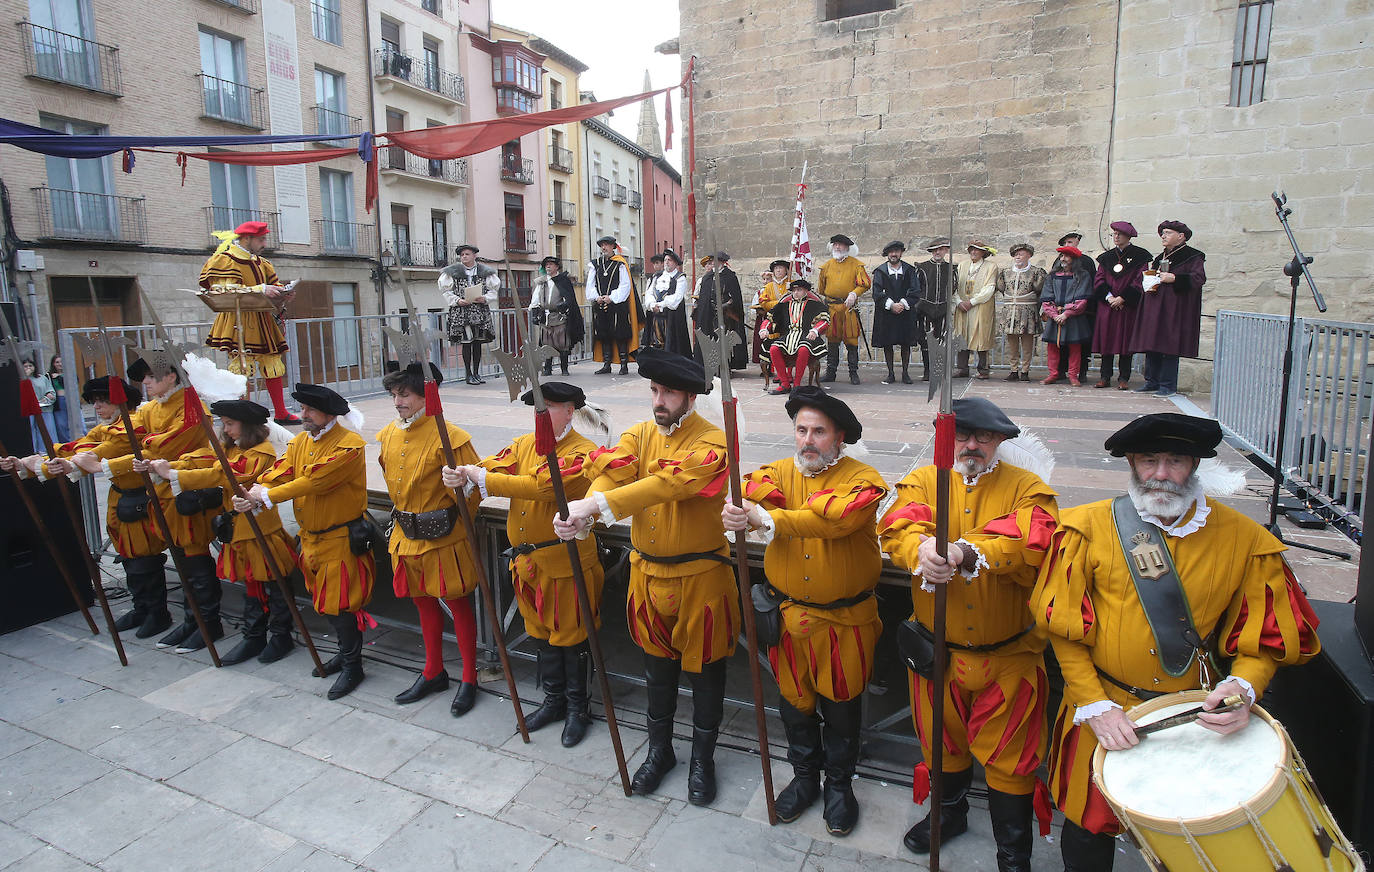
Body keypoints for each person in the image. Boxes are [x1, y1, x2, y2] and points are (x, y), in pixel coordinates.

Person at [1032, 412, 1320, 872]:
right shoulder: (1082, 528)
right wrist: (1093, 704)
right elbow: (1065, 632)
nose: (1161, 474)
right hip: (1103, 710)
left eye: (1175, 461)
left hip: (1194, 718)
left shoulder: (1249, 541)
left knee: (1192, 839)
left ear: (1195, 465)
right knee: (1087, 829)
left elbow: (1262, 639)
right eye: (1149, 460)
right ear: (1131, 462)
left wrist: (1242, 689)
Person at [879, 397, 1058, 869]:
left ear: (1000, 441)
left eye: (984, 437)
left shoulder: (1029, 487)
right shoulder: (923, 478)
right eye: (962, 436)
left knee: (1013, 760)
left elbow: (1032, 536)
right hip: (936, 652)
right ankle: (949, 816)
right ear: (947, 439)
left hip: (1010, 658)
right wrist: (920, 548)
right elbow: (897, 524)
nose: (972, 445)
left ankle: (1013, 851)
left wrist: (964, 552)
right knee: (941, 744)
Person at [553, 348, 738, 807]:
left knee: (706, 676)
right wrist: (585, 514)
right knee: (657, 673)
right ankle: (660, 752)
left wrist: (595, 506)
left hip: (702, 578)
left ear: (691, 397)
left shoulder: (714, 442)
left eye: (668, 392)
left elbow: (673, 483)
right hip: (648, 575)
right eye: (654, 390)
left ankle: (702, 759)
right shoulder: (639, 434)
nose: (659, 400)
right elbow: (612, 474)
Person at [723, 387, 886, 835]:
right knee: (794, 706)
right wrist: (741, 510)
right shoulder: (777, 471)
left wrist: (766, 518)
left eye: (819, 431)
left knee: (841, 708)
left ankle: (839, 787)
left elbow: (833, 519)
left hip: (846, 623)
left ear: (840, 437)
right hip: (789, 619)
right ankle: (804, 779)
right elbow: (751, 491)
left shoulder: (865, 480)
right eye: (801, 430)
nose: (808, 440)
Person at [444, 382, 608, 746]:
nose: (541, 414)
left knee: (572, 638)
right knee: (541, 635)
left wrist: (483, 479)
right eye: (537, 407)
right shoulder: (523, 444)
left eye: (549, 407)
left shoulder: (585, 452)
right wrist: (465, 472)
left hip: (565, 561)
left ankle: (578, 708)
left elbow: (544, 486)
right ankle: (552, 701)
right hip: (527, 560)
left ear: (570, 411)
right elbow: (495, 464)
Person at [236, 383, 375, 700]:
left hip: (340, 537)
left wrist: (267, 496)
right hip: (311, 538)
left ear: (328, 414)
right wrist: (254, 491)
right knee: (324, 601)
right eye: (303, 409)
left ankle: (354, 665)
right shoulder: (300, 442)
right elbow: (281, 472)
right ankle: (345, 653)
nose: (303, 415)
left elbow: (315, 480)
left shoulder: (349, 445)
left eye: (310, 410)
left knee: (342, 603)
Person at [1, 374, 166, 637]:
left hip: (140, 498)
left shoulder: (131, 427)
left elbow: (96, 454)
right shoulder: (106, 427)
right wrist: (29, 461)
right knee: (127, 556)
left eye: (103, 401)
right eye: (94, 401)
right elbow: (75, 447)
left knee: (143, 556)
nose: (97, 406)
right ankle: (141, 607)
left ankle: (157, 613)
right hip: (120, 496)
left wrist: (43, 465)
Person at [144, 400, 299, 665]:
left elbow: (223, 474)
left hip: (260, 530)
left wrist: (172, 474)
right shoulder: (233, 449)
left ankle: (280, 636)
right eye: (224, 424)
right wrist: (173, 466)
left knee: (274, 585)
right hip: (239, 530)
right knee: (252, 587)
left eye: (230, 424)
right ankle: (254, 636)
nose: (226, 430)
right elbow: (206, 462)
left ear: (248, 426)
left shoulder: (261, 453)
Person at [375, 363, 484, 715]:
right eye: (394, 395)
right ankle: (433, 670)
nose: (396, 402)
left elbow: (475, 493)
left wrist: (461, 488)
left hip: (444, 538)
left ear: (427, 396)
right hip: (406, 536)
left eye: (404, 394)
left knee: (457, 603)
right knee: (422, 603)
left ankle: (469, 677)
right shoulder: (388, 434)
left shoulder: (452, 438)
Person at [89, 357, 220, 653]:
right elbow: (124, 436)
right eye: (143, 378)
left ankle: (207, 623)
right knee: (181, 557)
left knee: (195, 556)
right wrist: (79, 455)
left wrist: (106, 464)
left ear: (172, 376)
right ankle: (190, 620)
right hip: (160, 496)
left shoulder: (190, 404)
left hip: (186, 493)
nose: (144, 383)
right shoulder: (150, 408)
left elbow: (161, 446)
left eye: (150, 376)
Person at [201, 220, 300, 425]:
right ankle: (242, 416)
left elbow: (272, 286)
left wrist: (282, 294)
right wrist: (261, 289)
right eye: (261, 239)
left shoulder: (263, 263)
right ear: (247, 238)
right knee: (241, 368)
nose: (264, 243)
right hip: (238, 320)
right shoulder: (224, 260)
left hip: (262, 318)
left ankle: (281, 412)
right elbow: (221, 290)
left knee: (273, 363)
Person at [1130, 221, 1206, 397]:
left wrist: (1175, 278)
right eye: (1162, 233)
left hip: (1175, 309)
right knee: (1152, 343)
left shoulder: (1193, 256)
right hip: (1156, 306)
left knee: (1169, 345)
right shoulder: (1160, 257)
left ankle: (1167, 385)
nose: (1163, 236)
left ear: (1181, 236)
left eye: (1167, 233)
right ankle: (1152, 381)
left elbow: (1198, 278)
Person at [1091, 222, 1150, 390]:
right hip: (1108, 306)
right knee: (1107, 340)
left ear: (1128, 236)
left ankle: (1124, 377)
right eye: (1114, 234)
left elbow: (1140, 280)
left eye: (1119, 234)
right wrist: (1109, 298)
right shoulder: (1106, 257)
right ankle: (1105, 376)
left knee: (1125, 341)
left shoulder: (1140, 256)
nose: (1116, 237)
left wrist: (1123, 298)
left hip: (1127, 307)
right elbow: (1099, 279)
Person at [440, 244, 501, 385]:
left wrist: (485, 298)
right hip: (462, 312)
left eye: (467, 254)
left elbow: (493, 291)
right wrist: (457, 300)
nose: (464, 257)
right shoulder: (452, 272)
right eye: (462, 255)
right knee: (466, 343)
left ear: (474, 256)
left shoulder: (485, 271)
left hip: (479, 312)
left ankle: (476, 373)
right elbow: (446, 291)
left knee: (477, 343)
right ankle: (468, 374)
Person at [817, 234, 870, 384]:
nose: (837, 247)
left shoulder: (856, 265)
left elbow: (865, 283)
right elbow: (821, 288)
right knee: (832, 340)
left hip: (849, 308)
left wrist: (854, 293)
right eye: (835, 245)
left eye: (840, 245)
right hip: (832, 309)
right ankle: (830, 373)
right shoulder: (826, 266)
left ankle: (853, 373)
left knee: (851, 340)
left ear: (847, 247)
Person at [586, 236, 643, 374]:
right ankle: (607, 364)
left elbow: (625, 285)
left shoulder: (620, 264)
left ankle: (624, 365)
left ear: (613, 247)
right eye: (602, 245)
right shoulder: (595, 264)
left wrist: (611, 298)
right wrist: (596, 297)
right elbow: (590, 284)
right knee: (604, 334)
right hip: (601, 304)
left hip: (618, 305)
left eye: (606, 245)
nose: (604, 248)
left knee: (620, 334)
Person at [870, 240, 925, 385]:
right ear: (887, 254)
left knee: (905, 343)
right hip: (886, 313)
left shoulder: (909, 270)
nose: (894, 254)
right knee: (888, 344)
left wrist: (902, 304)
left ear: (901, 253)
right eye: (891, 252)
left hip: (905, 312)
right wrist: (891, 305)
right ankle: (890, 373)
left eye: (897, 251)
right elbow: (876, 292)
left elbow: (915, 290)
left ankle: (905, 373)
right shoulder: (880, 271)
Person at [763, 279, 830, 395]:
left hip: (807, 335)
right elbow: (769, 319)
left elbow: (824, 321)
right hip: (788, 336)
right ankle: (785, 384)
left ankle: (797, 385)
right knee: (774, 348)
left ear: (806, 291)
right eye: (794, 290)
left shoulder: (814, 305)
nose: (796, 293)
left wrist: (815, 330)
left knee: (803, 349)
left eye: (799, 290)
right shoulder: (783, 305)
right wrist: (764, 329)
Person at [1040, 246, 1095, 387]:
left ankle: (1073, 375)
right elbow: (1047, 298)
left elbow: (1082, 299)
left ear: (1074, 259)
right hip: (1055, 317)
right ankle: (1053, 374)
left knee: (1075, 347)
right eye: (1061, 256)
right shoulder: (1052, 276)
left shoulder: (1082, 276)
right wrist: (1054, 314)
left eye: (1066, 256)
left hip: (1074, 317)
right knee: (1052, 346)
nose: (1062, 259)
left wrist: (1066, 313)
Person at [996, 243, 1046, 382]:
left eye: (1021, 254)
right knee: (1012, 342)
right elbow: (1001, 287)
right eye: (1016, 254)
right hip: (1010, 310)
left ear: (1029, 255)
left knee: (1027, 343)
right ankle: (1013, 370)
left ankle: (1025, 370)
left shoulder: (1036, 272)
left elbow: (1040, 290)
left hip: (1027, 311)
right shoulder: (1005, 273)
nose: (1018, 256)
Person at [529, 255, 585, 376]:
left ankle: (564, 368)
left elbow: (570, 298)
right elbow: (535, 298)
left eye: (550, 264)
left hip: (559, 317)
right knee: (546, 344)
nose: (548, 266)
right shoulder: (541, 281)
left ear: (556, 267)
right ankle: (548, 368)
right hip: (546, 317)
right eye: (546, 265)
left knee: (562, 343)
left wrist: (565, 304)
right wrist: (534, 312)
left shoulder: (563, 281)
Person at [692, 252, 747, 371]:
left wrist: (726, 305)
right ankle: (712, 365)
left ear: (722, 262)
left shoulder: (730, 277)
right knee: (711, 339)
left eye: (716, 261)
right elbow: (704, 298)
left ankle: (725, 366)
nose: (713, 264)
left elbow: (735, 298)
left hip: (727, 316)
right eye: (712, 261)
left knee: (724, 341)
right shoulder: (707, 277)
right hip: (709, 315)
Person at [953, 241, 998, 379]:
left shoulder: (991, 267)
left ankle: (983, 369)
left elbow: (989, 289)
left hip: (980, 307)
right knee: (962, 336)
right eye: (971, 250)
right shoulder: (962, 266)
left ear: (983, 252)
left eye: (976, 250)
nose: (973, 252)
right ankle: (962, 368)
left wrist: (972, 302)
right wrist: (959, 301)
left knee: (981, 336)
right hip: (962, 307)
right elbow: (954, 285)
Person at [1056, 231, 1096, 384]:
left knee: (1080, 342)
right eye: (1065, 243)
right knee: (1060, 341)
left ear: (1077, 242)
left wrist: (1083, 306)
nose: (1067, 245)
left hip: (1081, 310)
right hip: (1061, 310)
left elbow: (1090, 284)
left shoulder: (1086, 262)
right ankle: (1060, 371)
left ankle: (1082, 372)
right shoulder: (1058, 261)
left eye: (1070, 242)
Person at [642, 249, 691, 359]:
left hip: (672, 319)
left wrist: (661, 306)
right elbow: (649, 293)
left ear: (675, 263)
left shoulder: (680, 278)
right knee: (656, 344)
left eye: (670, 260)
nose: (667, 262)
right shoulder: (657, 277)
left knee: (672, 347)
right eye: (665, 260)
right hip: (656, 317)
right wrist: (651, 304)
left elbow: (676, 299)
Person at [915, 237, 956, 364]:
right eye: (935, 250)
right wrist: (919, 305)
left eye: (941, 249)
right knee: (926, 339)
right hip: (925, 309)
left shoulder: (951, 268)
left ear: (945, 251)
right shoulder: (922, 267)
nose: (938, 252)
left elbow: (954, 287)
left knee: (942, 339)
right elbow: (916, 288)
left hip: (943, 309)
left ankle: (939, 369)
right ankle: (928, 369)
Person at [753, 260, 789, 372]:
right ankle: (777, 370)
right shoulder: (768, 287)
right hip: (774, 320)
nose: (778, 270)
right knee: (774, 346)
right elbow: (763, 301)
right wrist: (778, 303)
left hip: (789, 319)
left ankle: (788, 372)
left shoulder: (791, 284)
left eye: (781, 268)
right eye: (776, 268)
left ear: (786, 270)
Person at [22, 357, 55, 451]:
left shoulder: (42, 378)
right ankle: (34, 451)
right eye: (25, 366)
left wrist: (48, 397)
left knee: (47, 429)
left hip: (44, 408)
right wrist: (26, 377)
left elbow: (51, 391)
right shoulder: (21, 380)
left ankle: (47, 450)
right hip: (29, 410)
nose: (28, 368)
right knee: (31, 431)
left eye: (30, 366)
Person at [49, 354, 69, 443]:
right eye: (57, 362)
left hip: (70, 400)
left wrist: (60, 376)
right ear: (53, 364)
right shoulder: (50, 376)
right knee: (61, 424)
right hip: (59, 401)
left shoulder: (70, 373)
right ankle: (65, 443)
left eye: (61, 362)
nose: (60, 364)